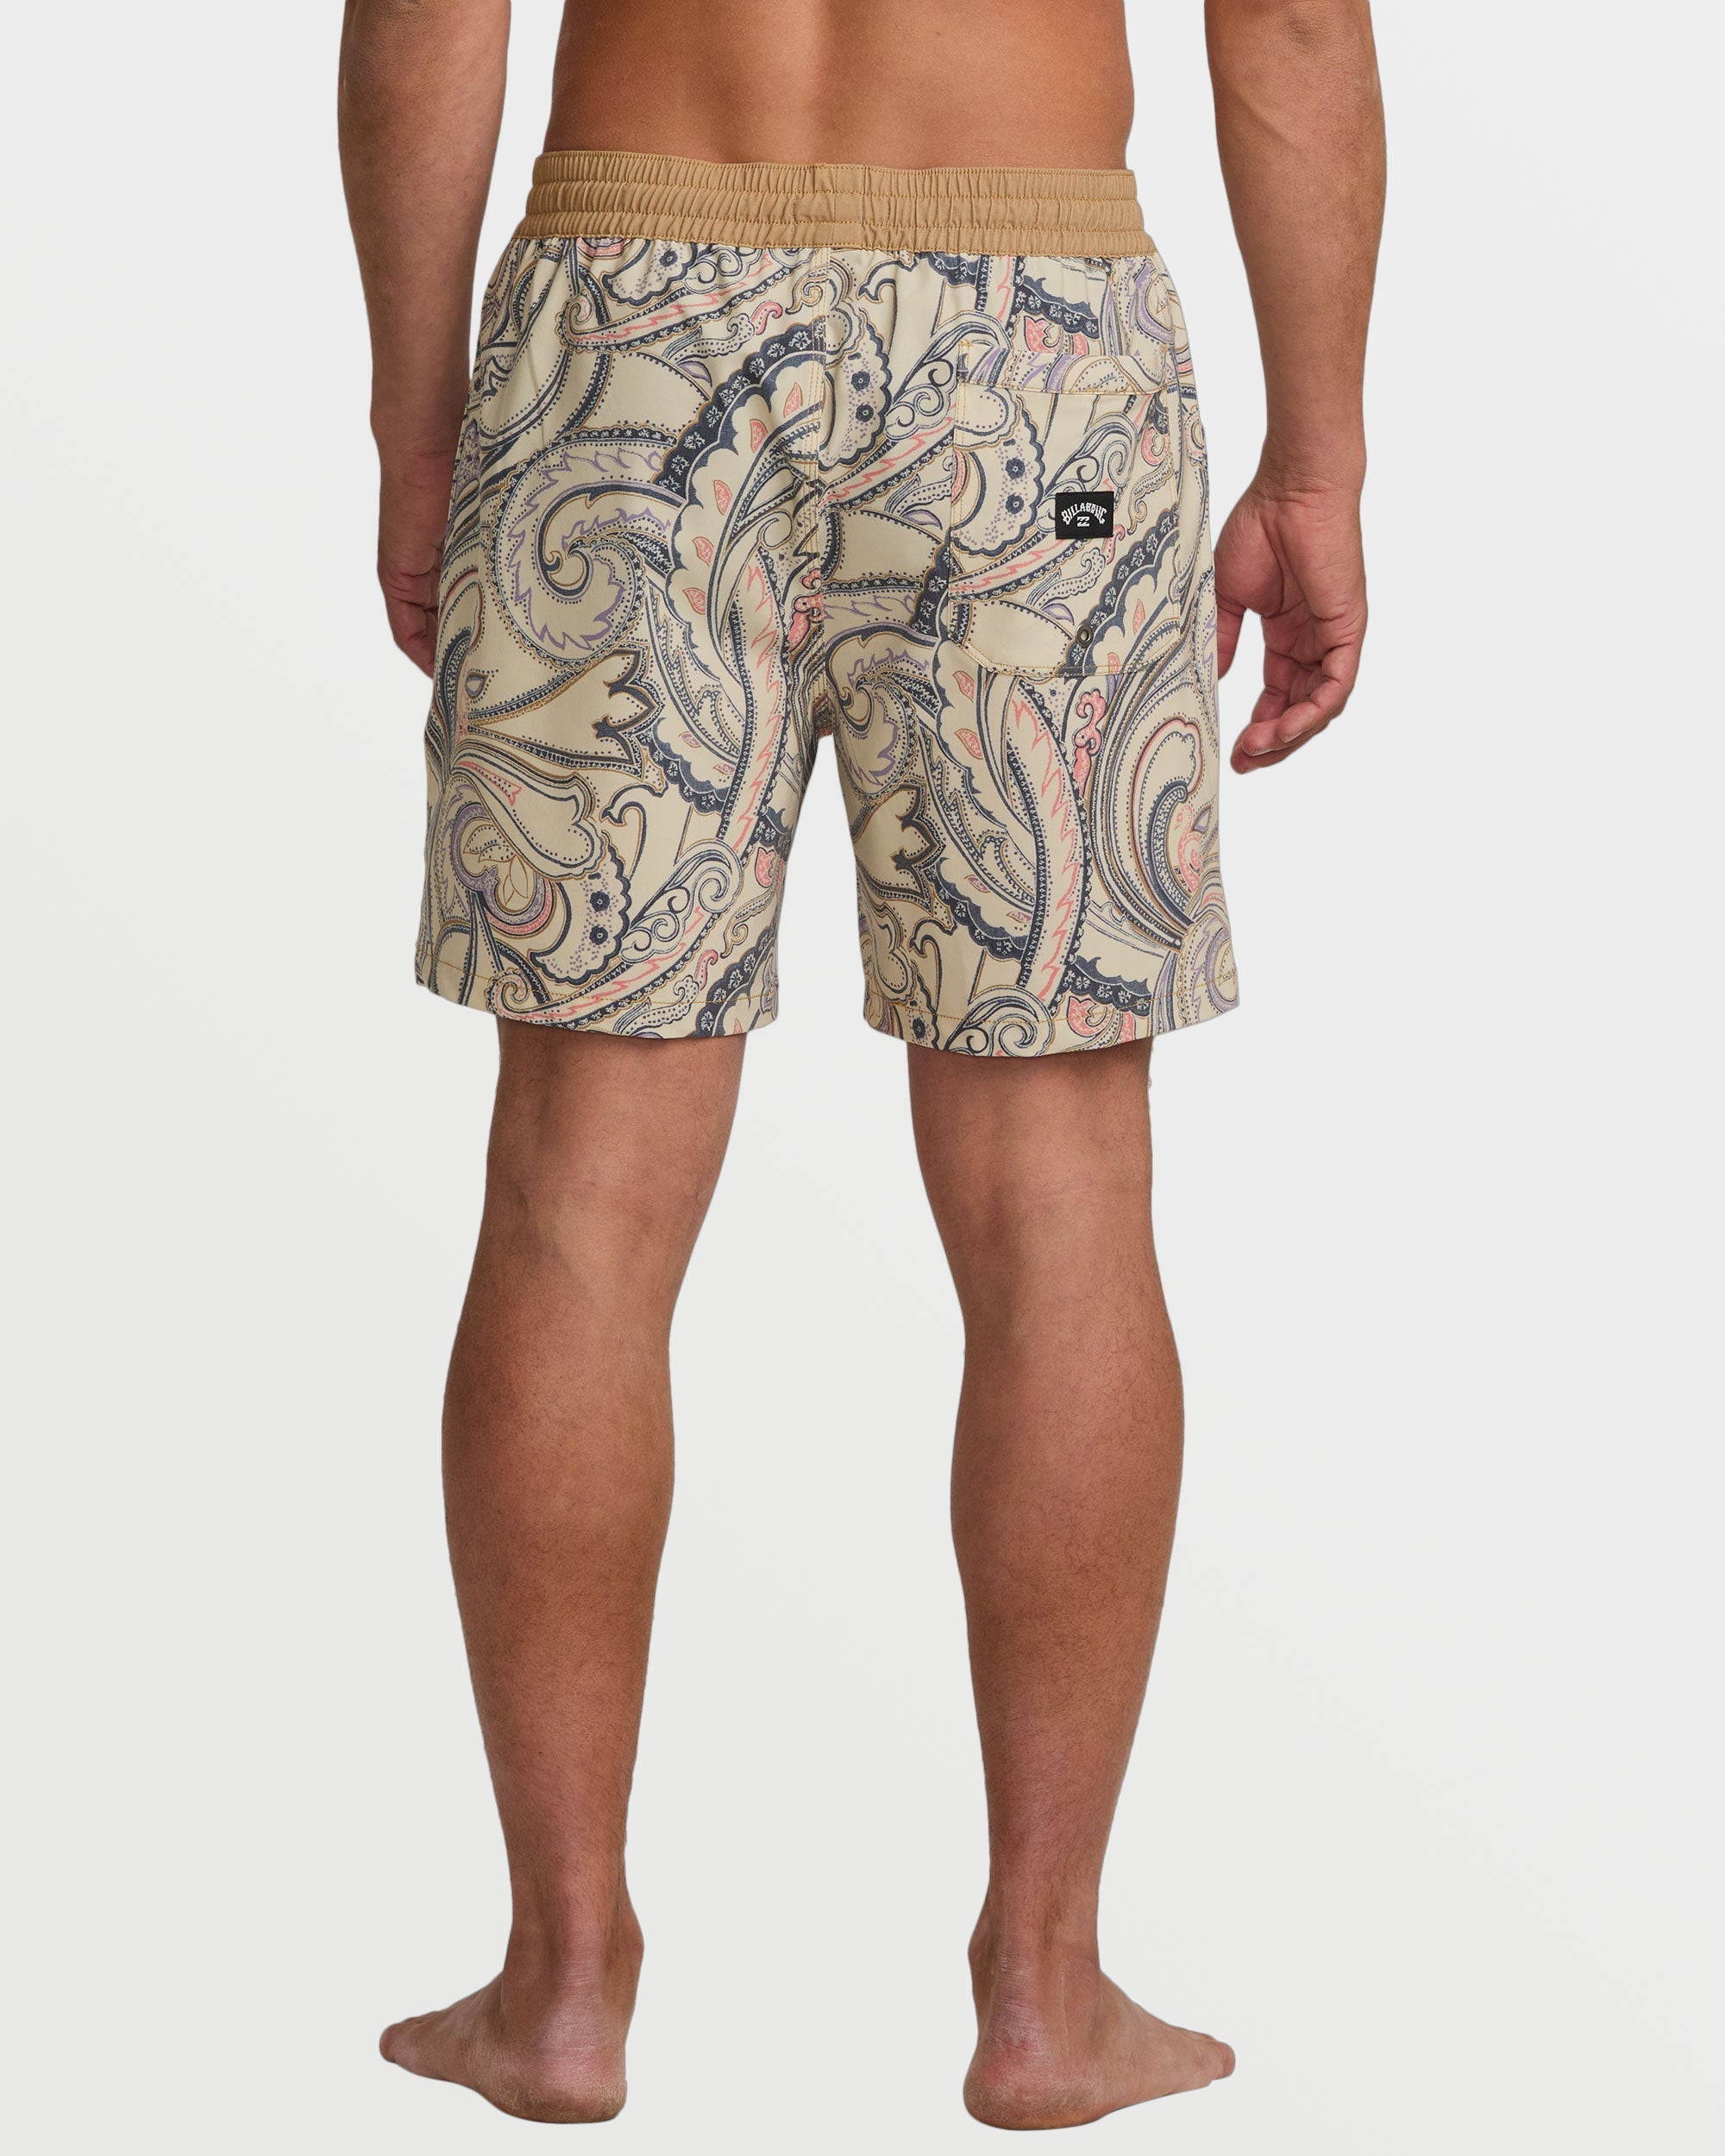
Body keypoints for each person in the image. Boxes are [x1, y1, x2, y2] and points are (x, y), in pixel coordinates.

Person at [338, 0, 1384, 2126]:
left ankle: (560, 1978)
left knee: (577, 1188)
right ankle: (1044, 1987)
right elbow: (1286, 17)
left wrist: (422, 418)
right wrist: (1318, 459)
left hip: (633, 319)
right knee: (1058, 1194)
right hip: (1034, 352)